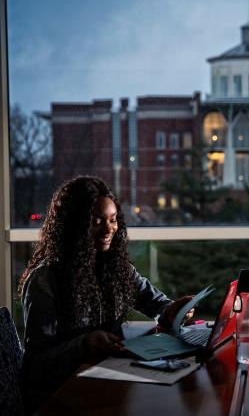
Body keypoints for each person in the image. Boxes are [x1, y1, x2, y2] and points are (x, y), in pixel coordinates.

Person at [19, 176, 195, 413]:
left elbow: (156, 303)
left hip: (108, 381)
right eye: (96, 221)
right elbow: (35, 367)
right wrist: (83, 345)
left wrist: (171, 311)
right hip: (61, 396)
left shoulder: (115, 267)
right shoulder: (45, 281)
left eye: (113, 220)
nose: (108, 229)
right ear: (74, 225)